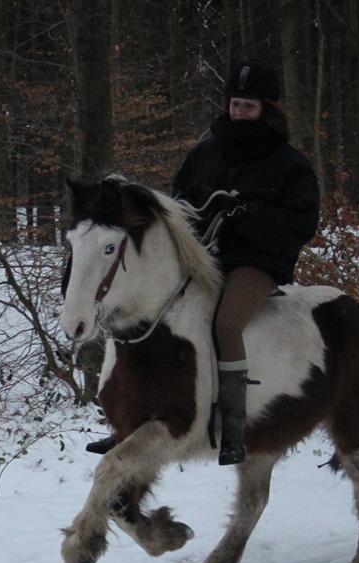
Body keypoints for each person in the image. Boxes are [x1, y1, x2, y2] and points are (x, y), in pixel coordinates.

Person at [87, 60, 320, 465]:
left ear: (267, 108)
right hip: (202, 258)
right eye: (234, 104)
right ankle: (127, 422)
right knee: (147, 314)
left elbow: (301, 225)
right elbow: (179, 206)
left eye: (247, 105)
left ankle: (232, 424)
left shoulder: (291, 165)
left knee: (225, 323)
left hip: (255, 263)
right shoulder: (205, 154)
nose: (238, 112)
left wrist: (248, 216)